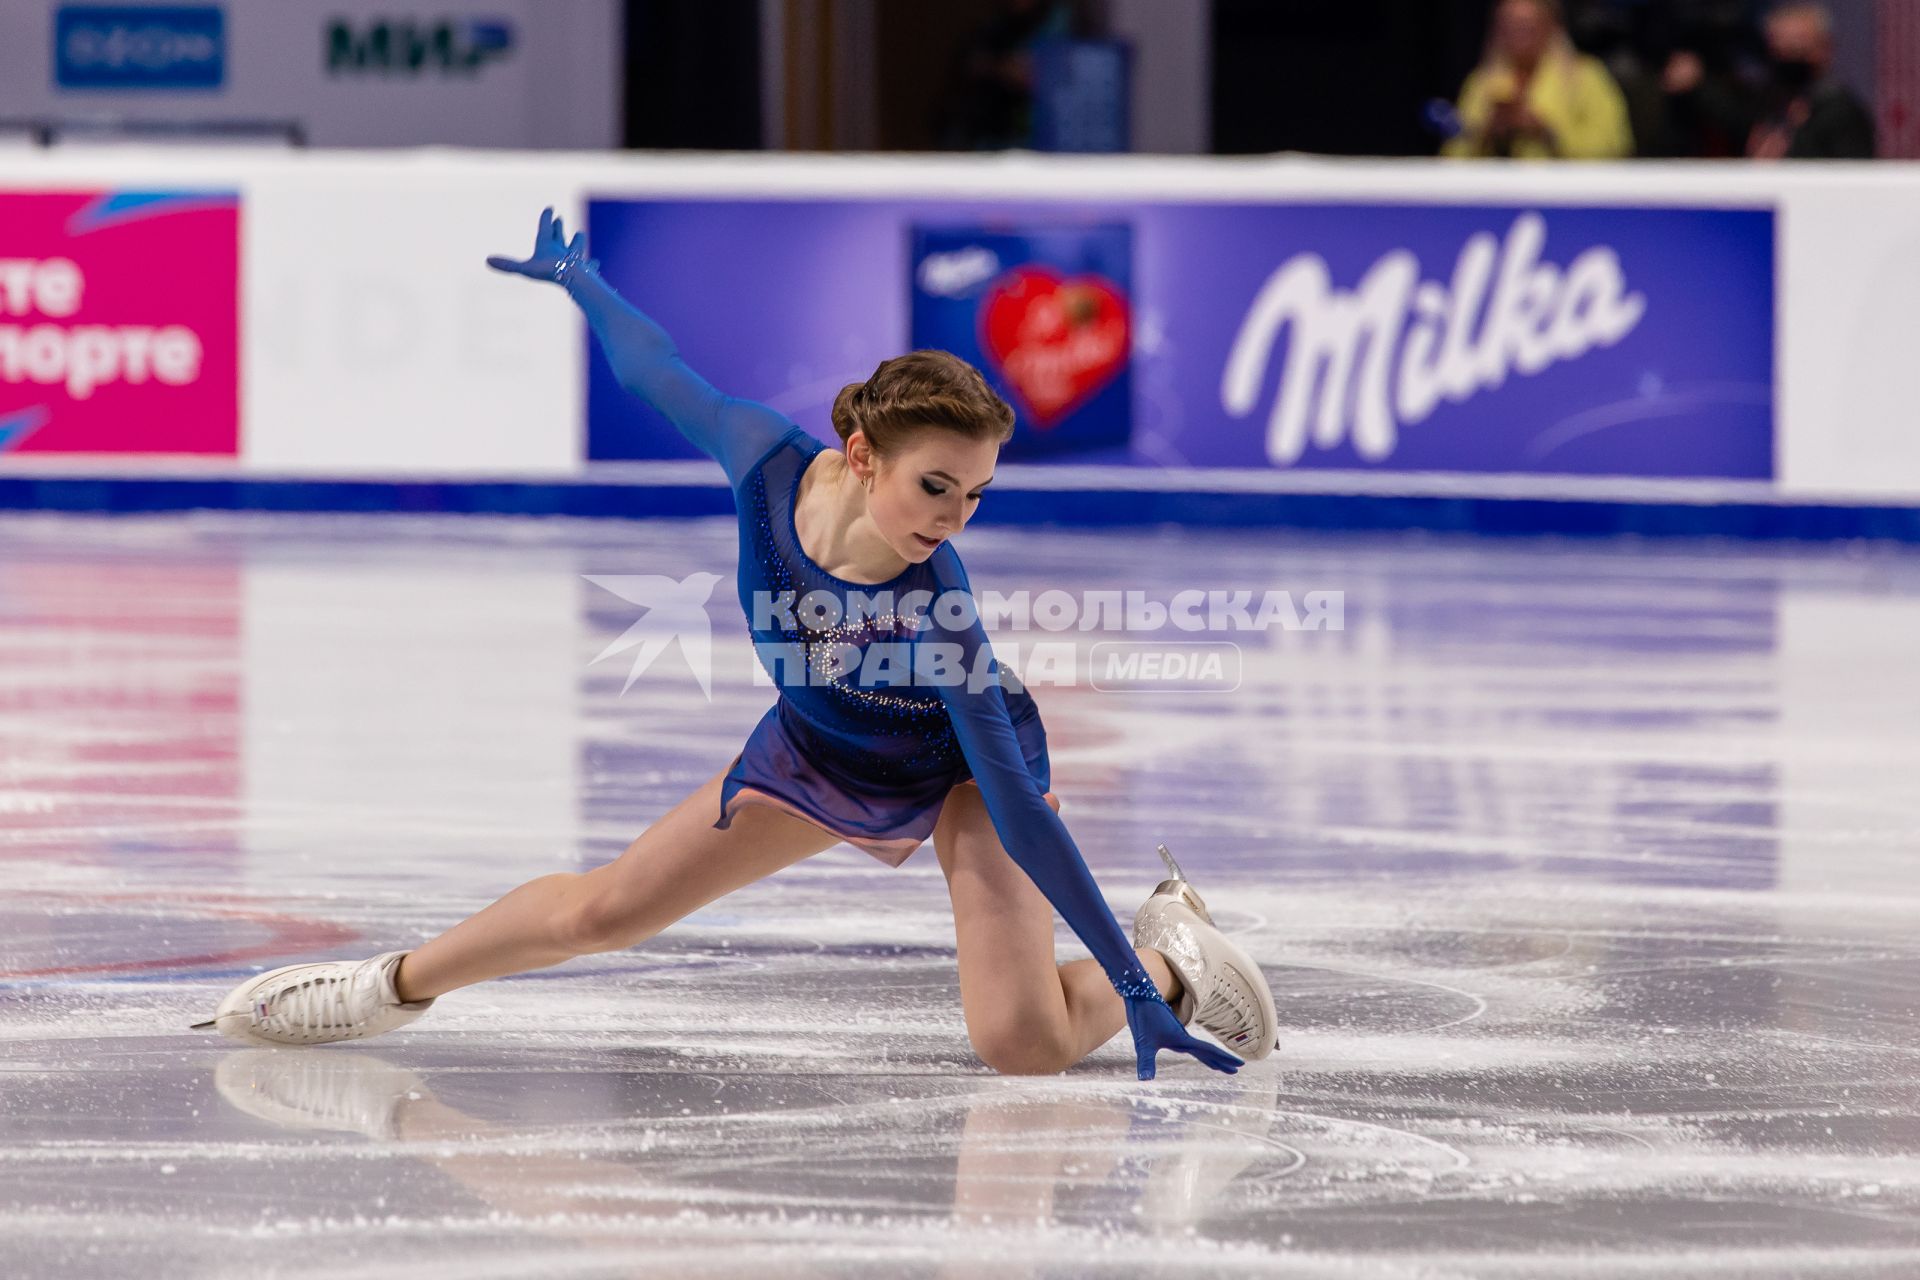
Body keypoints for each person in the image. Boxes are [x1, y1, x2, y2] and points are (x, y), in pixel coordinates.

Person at [192, 208, 1279, 1081]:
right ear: (861, 455)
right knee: (605, 908)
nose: (954, 517)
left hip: (959, 781)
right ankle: (385, 986)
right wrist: (584, 286)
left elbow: (1020, 811)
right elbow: (659, 375)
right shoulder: (766, 461)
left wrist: (1133, 999)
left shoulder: (939, 610)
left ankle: (1170, 958)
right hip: (816, 749)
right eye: (934, 484)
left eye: (977, 494)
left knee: (1021, 1042)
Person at [1443, 0, 1634, 160]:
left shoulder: (1586, 76)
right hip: (1497, 194)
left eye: (1526, 26)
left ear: (1550, 26)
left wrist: (1546, 133)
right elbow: (1452, 155)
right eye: (1509, 26)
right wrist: (1487, 134)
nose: (1518, 35)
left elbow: (1615, 146)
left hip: (1568, 194)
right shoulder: (1481, 82)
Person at [1745, 2, 1874, 160]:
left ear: (1825, 48)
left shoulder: (1842, 113)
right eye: (1780, 48)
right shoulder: (1764, 104)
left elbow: (1853, 177)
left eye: (1798, 48)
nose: (1789, 58)